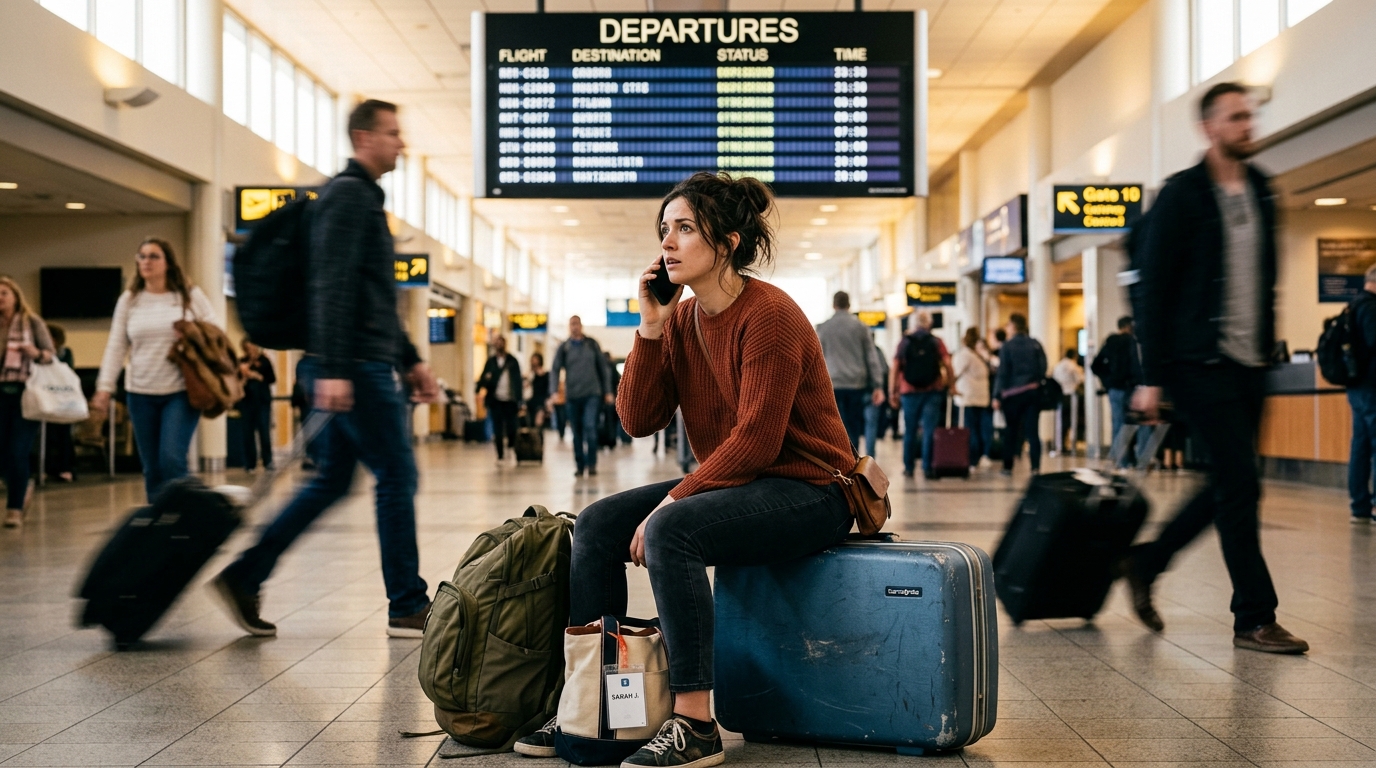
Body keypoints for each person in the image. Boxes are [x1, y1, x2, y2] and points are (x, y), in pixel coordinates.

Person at [514, 172, 854, 767]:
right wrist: (648, 325)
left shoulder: (768, 315)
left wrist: (674, 503)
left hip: (811, 488)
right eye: (664, 230)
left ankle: (695, 722)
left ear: (725, 241)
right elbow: (638, 417)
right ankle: (599, 699)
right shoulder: (682, 319)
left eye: (685, 229)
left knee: (674, 529)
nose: (667, 243)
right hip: (741, 480)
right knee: (595, 524)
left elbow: (756, 439)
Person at [212, 99, 439, 639]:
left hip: (355, 362)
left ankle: (246, 574)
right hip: (351, 369)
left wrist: (409, 361)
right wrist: (336, 368)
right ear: (364, 139)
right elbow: (331, 287)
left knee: (332, 481)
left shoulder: (359, 200)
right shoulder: (346, 198)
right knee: (397, 476)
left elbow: (372, 298)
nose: (400, 143)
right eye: (392, 133)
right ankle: (406, 603)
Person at [1126, 82, 1308, 654]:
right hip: (1197, 363)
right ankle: (1254, 617)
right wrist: (1151, 374)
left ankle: (1146, 561)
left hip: (1249, 365)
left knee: (1232, 484)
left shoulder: (1262, 190)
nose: (1246, 125)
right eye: (1235, 117)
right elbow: (1151, 288)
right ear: (1209, 128)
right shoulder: (1182, 196)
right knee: (1241, 485)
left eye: (1248, 116)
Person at [92, 238, 218, 501]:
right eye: (142, 256)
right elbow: (116, 346)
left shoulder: (188, 295)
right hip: (140, 393)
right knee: (152, 468)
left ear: (168, 263)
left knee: (171, 459)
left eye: (153, 256)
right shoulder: (130, 300)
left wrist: (190, 332)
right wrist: (104, 388)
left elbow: (217, 335)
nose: (146, 262)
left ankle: (187, 518)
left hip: (181, 391)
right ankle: (160, 526)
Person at [0, 278, 55, 529]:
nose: (0, 298)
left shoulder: (31, 322)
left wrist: (35, 353)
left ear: (15, 296)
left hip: (26, 393)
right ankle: (22, 487)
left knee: (17, 451)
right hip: (0, 394)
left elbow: (51, 354)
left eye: (4, 293)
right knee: (2, 453)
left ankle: (14, 508)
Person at [815, 292, 886, 451]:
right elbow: (871, 357)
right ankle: (854, 461)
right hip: (856, 384)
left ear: (834, 305)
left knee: (835, 427)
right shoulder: (860, 327)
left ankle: (840, 459)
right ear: (849, 305)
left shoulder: (823, 328)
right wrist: (878, 385)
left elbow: (817, 359)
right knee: (854, 425)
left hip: (832, 385)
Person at [890, 310, 952, 479]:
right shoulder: (936, 342)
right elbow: (947, 363)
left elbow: (895, 367)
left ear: (913, 324)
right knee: (929, 431)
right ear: (929, 324)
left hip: (909, 391)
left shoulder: (904, 342)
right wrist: (951, 385)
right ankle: (927, 467)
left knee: (909, 430)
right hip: (932, 391)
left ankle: (909, 467)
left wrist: (893, 392)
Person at [551, 315, 612, 476]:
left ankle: (591, 464)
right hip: (573, 396)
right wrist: (554, 392)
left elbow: (603, 369)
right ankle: (580, 465)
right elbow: (555, 369)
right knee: (576, 432)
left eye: (577, 324)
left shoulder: (591, 344)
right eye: (571, 324)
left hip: (592, 394)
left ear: (581, 326)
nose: (574, 327)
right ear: (569, 327)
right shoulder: (564, 347)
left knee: (590, 427)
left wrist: (607, 391)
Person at [992, 313, 1047, 476]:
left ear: (1014, 326)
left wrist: (996, 396)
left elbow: (1002, 373)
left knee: (1011, 431)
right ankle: (1035, 467)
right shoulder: (1035, 344)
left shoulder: (1007, 347)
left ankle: (1008, 467)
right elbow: (1043, 367)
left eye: (1008, 325)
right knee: (1032, 431)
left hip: (1012, 396)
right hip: (1032, 393)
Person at [1092, 317, 1150, 465]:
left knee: (1118, 424)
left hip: (1115, 389)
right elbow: (1136, 366)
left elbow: (1096, 365)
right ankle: (1142, 459)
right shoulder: (1132, 342)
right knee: (1140, 422)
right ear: (1129, 326)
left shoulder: (1110, 342)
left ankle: (1120, 460)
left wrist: (1108, 381)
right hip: (1131, 387)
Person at [1345, 264, 1376, 523]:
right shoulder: (1371, 307)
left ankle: (1360, 503)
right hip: (1372, 386)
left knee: (1361, 445)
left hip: (1357, 387)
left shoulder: (1353, 305)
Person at [952, 327, 993, 469]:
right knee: (981, 430)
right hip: (979, 398)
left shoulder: (964, 355)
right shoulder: (977, 356)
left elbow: (955, 374)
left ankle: (972, 459)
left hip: (968, 398)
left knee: (971, 431)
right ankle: (979, 456)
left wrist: (951, 387)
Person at [477, 335, 521, 462]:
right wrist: (479, 388)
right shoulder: (491, 362)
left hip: (510, 400)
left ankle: (511, 446)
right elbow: (483, 377)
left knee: (512, 426)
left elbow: (517, 382)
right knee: (498, 428)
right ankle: (500, 453)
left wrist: (519, 400)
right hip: (495, 400)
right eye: (497, 343)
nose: (499, 345)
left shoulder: (512, 361)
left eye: (501, 343)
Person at [44, 323, 76, 483]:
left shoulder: (65, 353)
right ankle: (46, 468)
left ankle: (66, 468)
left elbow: (67, 372)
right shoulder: (39, 353)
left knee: (64, 433)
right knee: (48, 434)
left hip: (63, 398)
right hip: (46, 398)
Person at [238, 339, 276, 472]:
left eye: (252, 347)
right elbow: (237, 382)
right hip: (247, 402)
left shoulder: (265, 361)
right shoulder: (242, 362)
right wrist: (245, 375)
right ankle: (250, 464)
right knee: (247, 434)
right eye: (247, 348)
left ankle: (268, 462)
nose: (251, 350)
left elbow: (272, 379)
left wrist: (256, 375)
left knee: (264, 432)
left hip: (262, 401)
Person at [1051, 348, 1084, 456]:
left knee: (1061, 422)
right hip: (1071, 396)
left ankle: (1060, 445)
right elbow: (1081, 380)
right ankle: (1071, 444)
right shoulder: (1074, 366)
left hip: (1059, 396)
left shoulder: (1058, 365)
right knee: (1072, 421)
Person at [862, 340, 891, 457]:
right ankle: (870, 456)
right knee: (871, 424)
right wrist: (879, 386)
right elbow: (884, 369)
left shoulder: (847, 349)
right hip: (871, 391)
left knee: (850, 425)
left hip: (854, 391)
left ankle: (852, 458)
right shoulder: (876, 350)